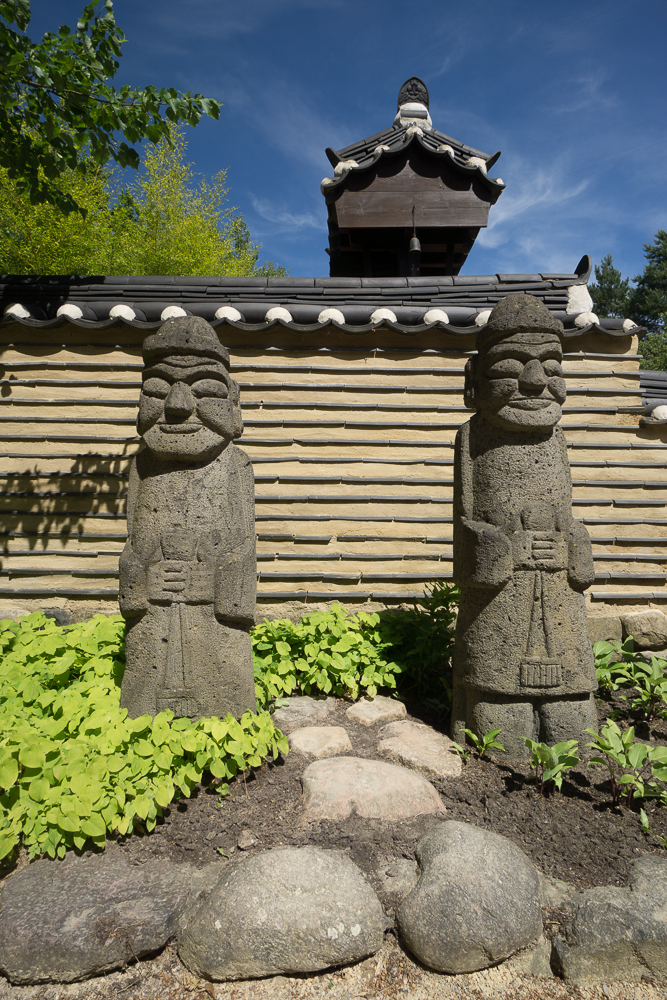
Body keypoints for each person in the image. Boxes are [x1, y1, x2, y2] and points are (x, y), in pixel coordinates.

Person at [451, 294, 597, 756]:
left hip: (557, 595)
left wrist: (573, 546)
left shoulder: (558, 440)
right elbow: (466, 525)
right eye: (511, 365)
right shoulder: (473, 437)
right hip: (501, 601)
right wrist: (502, 550)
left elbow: (571, 524)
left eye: (551, 366)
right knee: (502, 722)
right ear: (474, 379)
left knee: (574, 723)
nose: (535, 380)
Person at [119, 316, 257, 721]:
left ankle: (230, 725)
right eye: (157, 389)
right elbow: (131, 550)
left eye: (205, 389)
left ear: (233, 403)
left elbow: (244, 550)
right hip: (155, 621)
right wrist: (143, 581)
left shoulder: (235, 465)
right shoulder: (143, 466)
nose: (177, 405)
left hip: (214, 623)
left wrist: (214, 582)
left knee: (225, 675)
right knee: (146, 666)